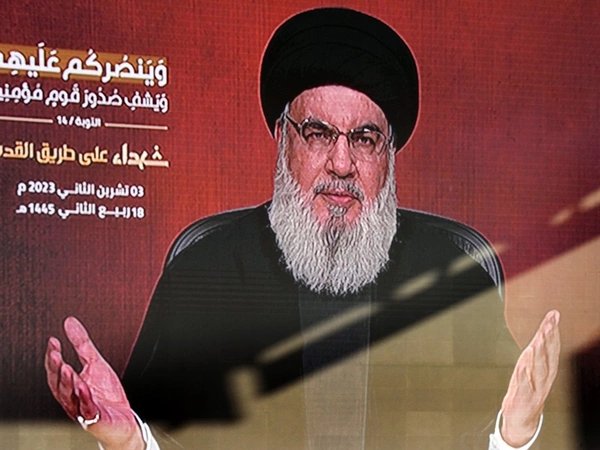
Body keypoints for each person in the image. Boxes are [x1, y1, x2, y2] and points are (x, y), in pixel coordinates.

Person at [44, 7, 560, 450]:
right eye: (317, 134)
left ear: (389, 155)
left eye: (364, 139)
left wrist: (515, 434)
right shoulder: (205, 270)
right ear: (282, 138)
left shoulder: (452, 274)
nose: (342, 163)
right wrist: (133, 441)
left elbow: (497, 432)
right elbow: (162, 434)